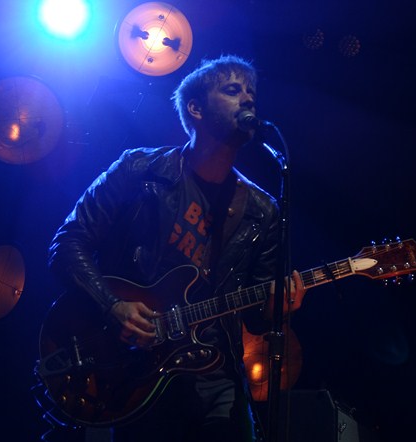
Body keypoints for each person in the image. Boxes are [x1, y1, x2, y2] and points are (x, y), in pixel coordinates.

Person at [46, 54, 306, 442]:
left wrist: (277, 309)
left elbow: (256, 318)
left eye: (251, 93)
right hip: (133, 367)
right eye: (232, 90)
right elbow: (67, 243)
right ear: (195, 109)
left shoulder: (261, 210)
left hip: (215, 377)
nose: (248, 99)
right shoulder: (139, 170)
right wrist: (112, 305)